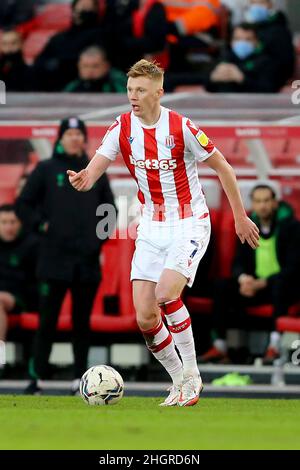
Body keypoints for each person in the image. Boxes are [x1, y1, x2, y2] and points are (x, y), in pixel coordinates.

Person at [68, 59, 259, 407]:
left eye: (140, 90)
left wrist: (240, 217)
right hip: (151, 226)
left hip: (189, 222)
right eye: (129, 90)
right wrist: (84, 178)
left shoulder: (182, 127)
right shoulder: (122, 128)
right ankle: (176, 382)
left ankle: (192, 376)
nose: (133, 97)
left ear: (159, 92)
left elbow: (224, 168)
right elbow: (96, 167)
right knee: (145, 316)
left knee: (167, 294)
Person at [16, 117, 116, 395]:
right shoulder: (46, 169)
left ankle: (80, 379)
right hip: (52, 260)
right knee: (47, 320)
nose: (74, 138)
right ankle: (36, 379)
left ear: (84, 139)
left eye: (78, 134)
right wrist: (41, 225)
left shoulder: (94, 171)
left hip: (86, 261)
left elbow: (109, 209)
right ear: (60, 138)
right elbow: (23, 204)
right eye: (69, 133)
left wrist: (99, 240)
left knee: (81, 322)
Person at [199, 184, 300, 365]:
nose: (263, 206)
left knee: (281, 284)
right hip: (254, 288)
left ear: (275, 203)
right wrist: (243, 278)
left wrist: (263, 282)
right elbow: (238, 262)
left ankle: (274, 346)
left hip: (282, 288)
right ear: (253, 203)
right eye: (258, 201)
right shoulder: (248, 226)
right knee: (221, 287)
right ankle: (220, 346)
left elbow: (293, 268)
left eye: (266, 201)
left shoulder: (292, 227)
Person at [0, 204, 38, 375]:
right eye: (4, 222)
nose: (9, 227)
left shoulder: (31, 245)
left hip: (20, 298)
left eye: (12, 222)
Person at [34, 0, 103, 91]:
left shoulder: (101, 35)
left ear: (95, 10)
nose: (81, 11)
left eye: (87, 7)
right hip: (52, 82)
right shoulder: (59, 38)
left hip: (80, 82)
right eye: (79, 7)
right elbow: (40, 60)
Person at [205, 23, 282, 93]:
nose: (242, 43)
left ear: (257, 42)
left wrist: (242, 78)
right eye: (237, 39)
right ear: (231, 42)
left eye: (248, 39)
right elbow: (208, 87)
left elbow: (270, 89)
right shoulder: (224, 59)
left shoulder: (266, 62)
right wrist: (213, 79)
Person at [244, 0, 295, 87]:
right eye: (253, 3)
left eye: (260, 2)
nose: (256, 6)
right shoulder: (250, 28)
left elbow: (283, 65)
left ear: (270, 5)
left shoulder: (279, 31)